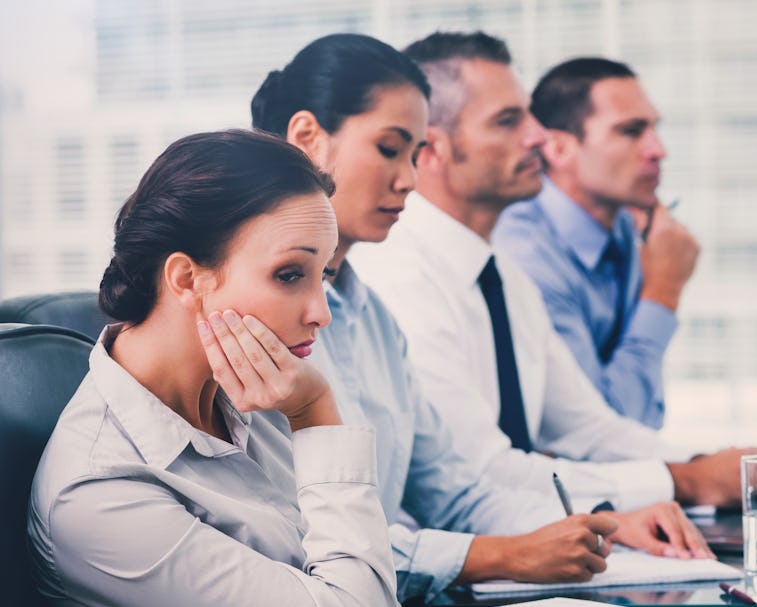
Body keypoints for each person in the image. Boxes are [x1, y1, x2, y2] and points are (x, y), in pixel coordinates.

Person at [252, 33, 713, 604]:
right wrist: (504, 554)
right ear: (307, 138)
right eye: (390, 149)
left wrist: (604, 520)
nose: (409, 181)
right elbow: (289, 537)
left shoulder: (374, 319)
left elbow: (456, 490)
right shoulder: (255, 318)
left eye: (413, 154)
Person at [349, 31, 749, 525]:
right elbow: (482, 474)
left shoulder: (503, 276)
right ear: (430, 150)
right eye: (508, 120)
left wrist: (714, 467)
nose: (539, 137)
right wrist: (685, 481)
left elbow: (589, 428)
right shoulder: (398, 278)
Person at [27, 130, 400, 606]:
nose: (320, 313)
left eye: (323, 274)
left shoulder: (259, 389)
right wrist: (315, 413)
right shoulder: (98, 493)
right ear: (187, 279)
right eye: (290, 275)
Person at [492, 57, 699, 429]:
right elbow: (604, 429)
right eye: (631, 131)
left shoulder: (627, 226)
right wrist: (664, 291)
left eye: (654, 129)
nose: (658, 150)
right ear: (557, 149)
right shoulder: (525, 256)